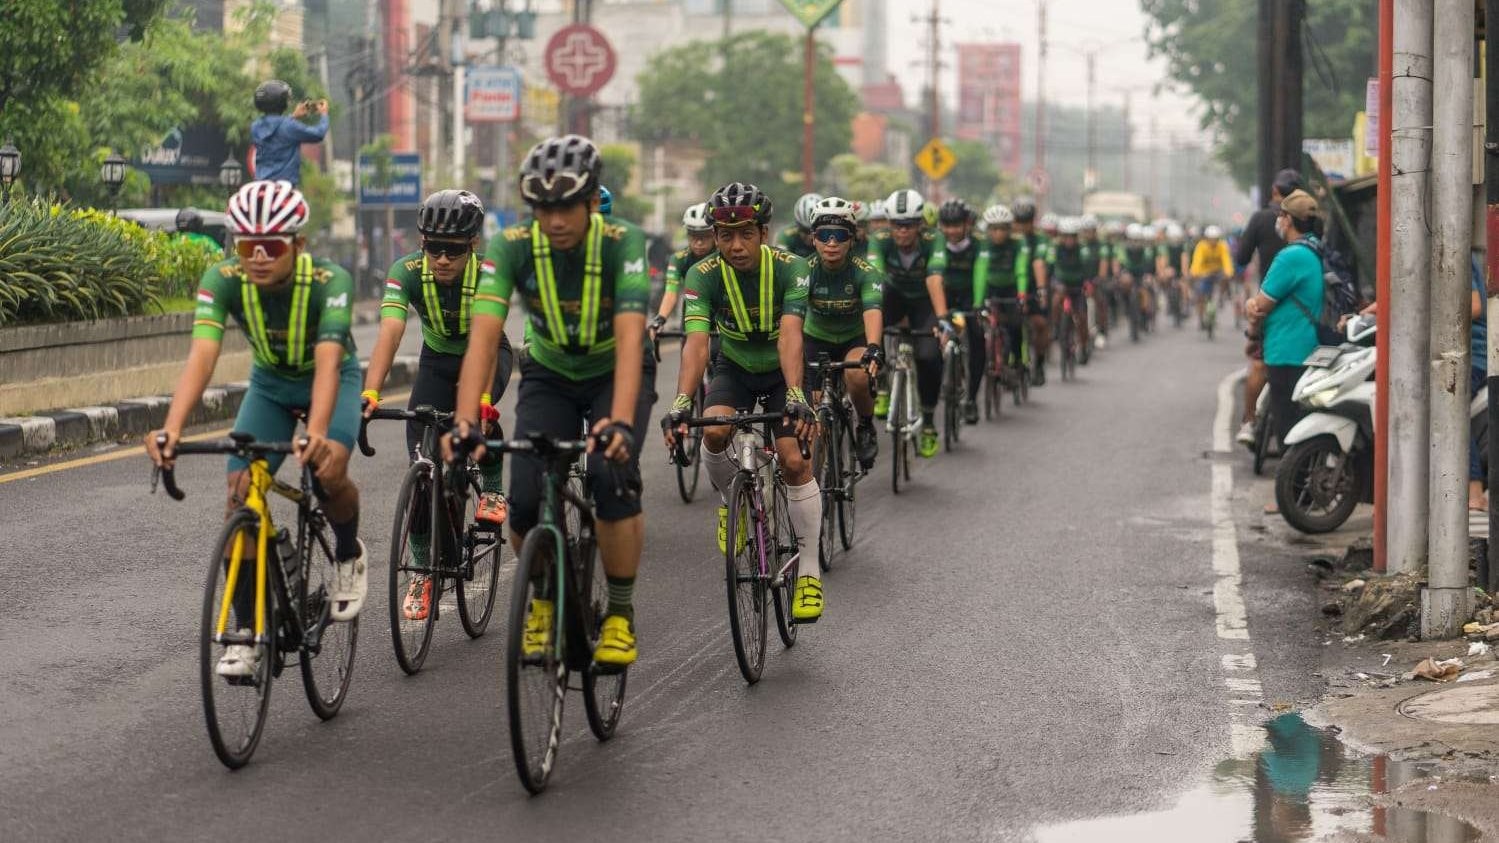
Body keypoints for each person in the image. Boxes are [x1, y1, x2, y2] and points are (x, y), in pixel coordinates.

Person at [146, 180, 367, 678]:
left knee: (329, 470)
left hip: (330, 378)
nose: (259, 257)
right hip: (269, 386)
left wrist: (320, 431)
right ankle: (245, 633)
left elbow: (329, 361)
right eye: (249, 246)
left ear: (299, 245)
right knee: (239, 494)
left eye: (272, 245)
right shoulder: (221, 278)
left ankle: (349, 553)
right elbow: (203, 355)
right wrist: (171, 429)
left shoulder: (330, 281)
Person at [450, 134, 653, 668]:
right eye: (543, 208)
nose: (555, 219)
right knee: (521, 501)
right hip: (551, 373)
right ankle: (543, 597)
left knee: (611, 480)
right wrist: (466, 420)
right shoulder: (511, 244)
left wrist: (621, 423)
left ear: (591, 203)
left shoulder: (622, 241)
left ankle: (619, 615)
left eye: (566, 207)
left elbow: (632, 338)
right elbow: (483, 335)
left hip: (615, 368)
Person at [660, 182, 824, 622]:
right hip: (733, 366)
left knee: (793, 460)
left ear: (764, 234)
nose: (735, 245)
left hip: (781, 369)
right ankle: (729, 497)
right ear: (714, 236)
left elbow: (791, 335)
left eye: (746, 234)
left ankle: (807, 573)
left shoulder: (792, 269)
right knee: (712, 430)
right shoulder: (702, 275)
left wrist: (794, 393)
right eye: (725, 235)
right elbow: (696, 345)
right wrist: (680, 402)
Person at [362, 190, 514, 621]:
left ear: (472, 246)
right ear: (421, 243)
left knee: (479, 420)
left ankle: (494, 487)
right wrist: (371, 393)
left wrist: (483, 401)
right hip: (436, 360)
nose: (442, 259)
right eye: (433, 248)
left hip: (485, 353)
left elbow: (485, 344)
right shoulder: (405, 272)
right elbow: (390, 331)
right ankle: (423, 573)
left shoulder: (489, 275)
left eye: (453, 250)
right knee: (424, 472)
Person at [799, 196, 885, 468]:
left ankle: (866, 426)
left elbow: (872, 310)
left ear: (852, 239)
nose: (832, 243)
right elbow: (790, 317)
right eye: (825, 235)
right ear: (813, 239)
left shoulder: (866, 273)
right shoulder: (803, 272)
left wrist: (874, 347)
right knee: (813, 411)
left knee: (858, 374)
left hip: (853, 339)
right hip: (815, 340)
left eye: (839, 235)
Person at [866, 188, 951, 458]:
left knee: (928, 356)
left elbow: (934, 278)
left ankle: (927, 422)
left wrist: (942, 319)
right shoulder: (878, 239)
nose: (902, 232)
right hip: (893, 297)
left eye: (909, 225)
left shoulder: (933, 238)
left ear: (920, 225)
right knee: (870, 321)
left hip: (924, 301)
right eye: (896, 225)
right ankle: (879, 383)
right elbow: (875, 279)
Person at [1245, 190, 1325, 450]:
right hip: (1305, 348)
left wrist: (1252, 325)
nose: (1278, 220)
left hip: (1287, 352)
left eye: (1281, 215)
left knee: (1288, 435)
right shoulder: (1314, 249)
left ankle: (1291, 487)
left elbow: (1260, 306)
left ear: (1288, 220)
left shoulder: (1291, 257)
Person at [1235, 169, 1303, 445]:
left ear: (1275, 191)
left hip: (1270, 301)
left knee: (1260, 363)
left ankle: (1249, 422)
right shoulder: (1310, 225)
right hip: (1306, 303)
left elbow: (1241, 257)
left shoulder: (1262, 218)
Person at [937, 198, 985, 423]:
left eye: (956, 225)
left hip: (969, 300)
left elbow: (980, 274)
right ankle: (944, 380)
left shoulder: (978, 245)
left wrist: (976, 305)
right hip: (945, 300)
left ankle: (972, 400)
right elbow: (934, 276)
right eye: (946, 225)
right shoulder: (937, 244)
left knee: (977, 341)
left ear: (966, 225)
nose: (951, 230)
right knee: (939, 338)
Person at [975, 204, 1031, 385]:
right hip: (990, 287)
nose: (998, 233)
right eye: (994, 228)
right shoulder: (983, 243)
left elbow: (1021, 269)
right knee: (982, 325)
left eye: (1002, 229)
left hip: (1011, 288)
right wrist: (978, 301)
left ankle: (1018, 361)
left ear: (1009, 229)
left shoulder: (1018, 242)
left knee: (1015, 325)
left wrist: (1022, 294)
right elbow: (981, 271)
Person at [651, 202, 716, 339]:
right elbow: (670, 293)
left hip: (722, 313)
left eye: (704, 236)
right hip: (692, 312)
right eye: (693, 235)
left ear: (714, 234)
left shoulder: (724, 256)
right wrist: (660, 320)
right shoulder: (678, 259)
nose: (699, 242)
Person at [1045, 217, 1106, 357]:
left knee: (1082, 318)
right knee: (1055, 301)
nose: (1069, 240)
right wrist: (1053, 282)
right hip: (1060, 284)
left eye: (1072, 236)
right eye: (1066, 236)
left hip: (1078, 287)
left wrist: (1089, 281)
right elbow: (1049, 267)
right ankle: (1055, 328)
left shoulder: (1083, 249)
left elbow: (1088, 268)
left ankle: (1084, 346)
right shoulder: (1054, 248)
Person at [250, 80, 328, 187]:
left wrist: (293, 116)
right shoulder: (289, 126)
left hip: (260, 186)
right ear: (281, 103)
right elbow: (318, 134)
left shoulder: (255, 127)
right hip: (284, 188)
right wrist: (324, 115)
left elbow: (276, 128)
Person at [1011, 196, 1051, 385]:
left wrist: (1042, 290)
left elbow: (1039, 263)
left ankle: (1040, 363)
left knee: (1040, 324)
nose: (1022, 226)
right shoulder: (1008, 237)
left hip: (1034, 286)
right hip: (1012, 285)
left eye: (1026, 221)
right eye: (1019, 221)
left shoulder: (1041, 240)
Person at [1190, 224, 1234, 328]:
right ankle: (1201, 319)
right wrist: (1195, 272)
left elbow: (1226, 260)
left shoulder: (1222, 246)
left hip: (1217, 272)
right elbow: (1197, 261)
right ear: (1206, 239)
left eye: (1215, 239)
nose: (1213, 242)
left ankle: (1221, 297)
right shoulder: (1201, 246)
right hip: (1204, 273)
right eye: (1211, 239)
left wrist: (1229, 272)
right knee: (1201, 295)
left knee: (1225, 279)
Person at [776, 192, 823, 259]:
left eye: (815, 230)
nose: (810, 237)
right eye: (805, 230)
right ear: (798, 226)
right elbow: (780, 263)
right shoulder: (787, 236)